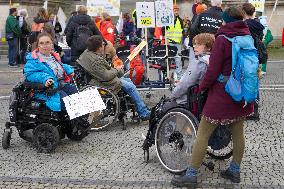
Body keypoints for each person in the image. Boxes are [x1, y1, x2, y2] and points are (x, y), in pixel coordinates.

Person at [171, 6, 254, 187]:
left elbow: (213, 70)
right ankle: (234, 171)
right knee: (238, 134)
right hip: (239, 92)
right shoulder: (247, 36)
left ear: (226, 21)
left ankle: (191, 175)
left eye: (223, 19)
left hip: (221, 95)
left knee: (202, 134)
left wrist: (201, 88)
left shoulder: (222, 39)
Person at [77, 35, 151, 120]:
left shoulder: (88, 53)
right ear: (98, 48)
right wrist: (117, 70)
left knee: (128, 81)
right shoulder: (96, 60)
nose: (104, 46)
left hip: (95, 79)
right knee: (130, 87)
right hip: (101, 82)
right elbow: (106, 76)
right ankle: (143, 113)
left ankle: (139, 108)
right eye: (102, 45)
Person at [24, 32, 76, 112]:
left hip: (60, 85)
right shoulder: (33, 60)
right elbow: (31, 74)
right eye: (42, 43)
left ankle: (84, 120)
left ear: (52, 44)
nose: (45, 46)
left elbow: (60, 66)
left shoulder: (53, 56)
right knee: (69, 103)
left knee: (77, 94)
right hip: (47, 91)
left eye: (47, 43)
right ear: (38, 46)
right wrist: (46, 78)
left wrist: (69, 70)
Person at [169, 33, 214, 105]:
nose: (194, 46)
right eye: (194, 44)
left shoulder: (199, 63)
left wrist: (172, 95)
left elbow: (185, 85)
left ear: (208, 47)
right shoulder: (213, 60)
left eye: (198, 44)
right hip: (204, 98)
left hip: (189, 100)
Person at [242, 2, 266, 121]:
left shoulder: (245, 25)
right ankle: (254, 110)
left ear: (244, 12)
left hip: (247, 58)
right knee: (255, 82)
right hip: (257, 57)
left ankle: (248, 110)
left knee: (246, 82)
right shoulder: (259, 24)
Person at [166, 4, 184, 80]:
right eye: (175, 10)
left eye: (177, 10)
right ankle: (167, 75)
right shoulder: (168, 19)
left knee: (178, 59)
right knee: (168, 59)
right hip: (169, 42)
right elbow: (165, 30)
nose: (176, 12)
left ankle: (179, 77)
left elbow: (182, 31)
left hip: (177, 43)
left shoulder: (180, 20)